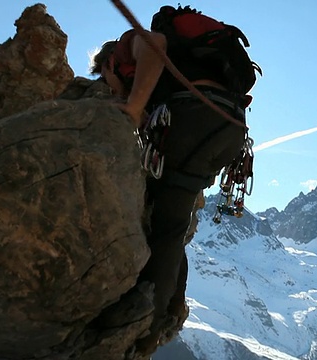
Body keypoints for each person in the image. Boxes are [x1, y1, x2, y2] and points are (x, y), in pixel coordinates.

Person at [90, 5, 256, 354]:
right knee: (173, 222)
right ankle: (170, 306)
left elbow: (152, 43)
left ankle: (147, 328)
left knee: (164, 226)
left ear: (108, 65)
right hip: (228, 130)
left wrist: (133, 106)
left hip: (194, 118)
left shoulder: (126, 48)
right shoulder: (190, 63)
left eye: (105, 79)